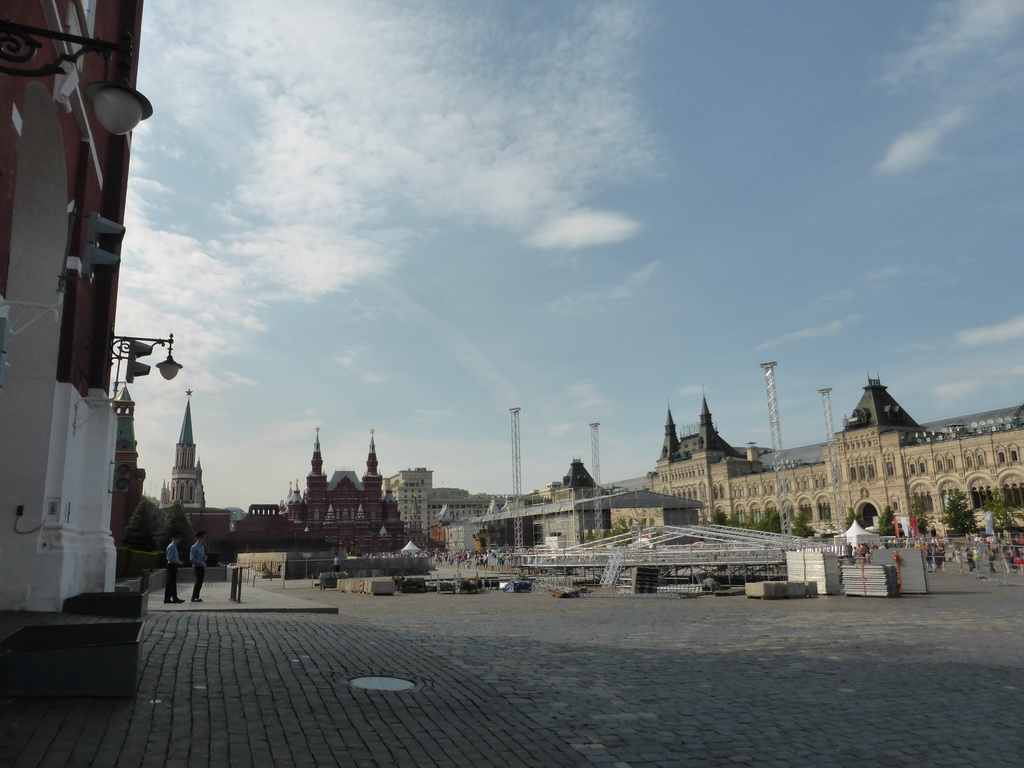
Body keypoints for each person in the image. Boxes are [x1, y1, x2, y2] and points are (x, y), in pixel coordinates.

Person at [164, 534, 185, 604]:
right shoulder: (172, 546)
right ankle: (175, 598)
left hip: (173, 565)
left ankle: (167, 599)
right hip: (171, 565)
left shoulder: (174, 546)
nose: (178, 540)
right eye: (177, 538)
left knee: (169, 583)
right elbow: (169, 558)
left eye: (179, 539)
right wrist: (178, 562)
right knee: (172, 583)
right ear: (173, 538)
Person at [190, 531, 208, 603]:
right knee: (198, 582)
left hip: (201, 566)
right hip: (197, 567)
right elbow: (192, 559)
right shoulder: (194, 547)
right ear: (198, 538)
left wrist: (204, 557)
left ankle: (197, 597)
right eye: (201, 538)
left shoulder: (202, 547)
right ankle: (193, 597)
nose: (203, 539)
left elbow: (201, 557)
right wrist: (200, 562)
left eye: (203, 538)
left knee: (200, 582)